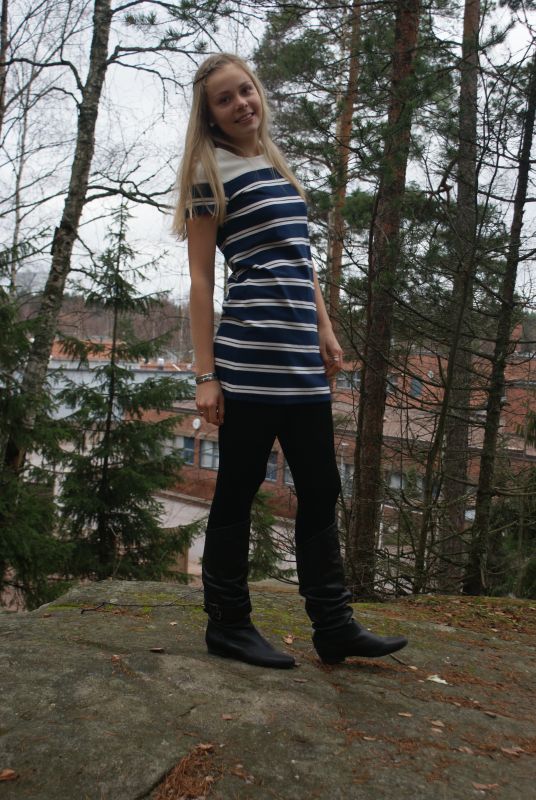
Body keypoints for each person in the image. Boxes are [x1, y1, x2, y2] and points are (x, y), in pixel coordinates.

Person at [174, 53, 407, 669]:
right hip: (249, 361)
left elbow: (301, 260)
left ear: (259, 93)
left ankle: (333, 625)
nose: (240, 104)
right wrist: (205, 374)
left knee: (322, 489)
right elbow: (201, 280)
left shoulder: (276, 166)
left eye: (245, 90)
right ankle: (227, 625)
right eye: (224, 99)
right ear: (210, 114)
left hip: (302, 363)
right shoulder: (208, 170)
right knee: (238, 490)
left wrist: (324, 328)